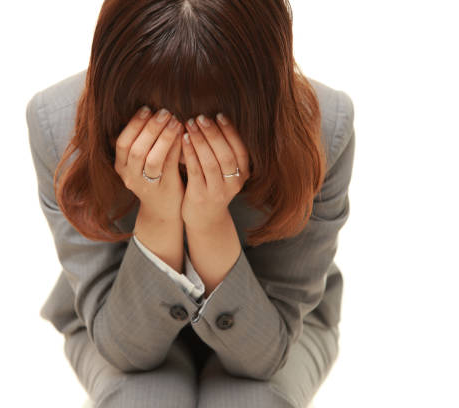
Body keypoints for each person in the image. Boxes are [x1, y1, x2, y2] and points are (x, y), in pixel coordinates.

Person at [26, 1, 355, 407]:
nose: (183, 149)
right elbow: (126, 353)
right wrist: (159, 214)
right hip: (111, 317)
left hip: (282, 322)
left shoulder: (324, 130)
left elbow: (264, 356)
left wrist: (209, 222)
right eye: (154, 119)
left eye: (213, 123)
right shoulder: (58, 129)